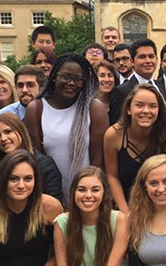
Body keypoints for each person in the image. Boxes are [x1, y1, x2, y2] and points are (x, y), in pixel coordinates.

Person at [25, 53, 109, 199]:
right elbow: (37, 161)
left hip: (87, 196)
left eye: (78, 79)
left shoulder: (94, 108)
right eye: (65, 77)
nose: (71, 83)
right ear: (54, 77)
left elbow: (98, 161)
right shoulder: (36, 109)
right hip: (50, 194)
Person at [104, 83, 166, 213]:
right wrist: (126, 213)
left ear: (159, 110)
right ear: (129, 109)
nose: (146, 111)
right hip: (128, 207)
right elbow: (112, 176)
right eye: (139, 105)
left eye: (152, 106)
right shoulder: (113, 135)